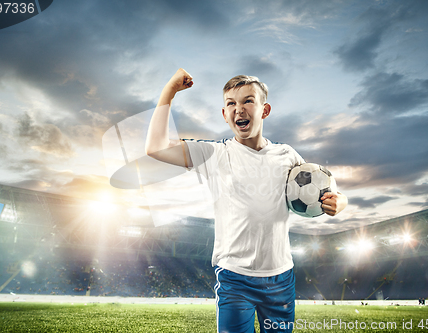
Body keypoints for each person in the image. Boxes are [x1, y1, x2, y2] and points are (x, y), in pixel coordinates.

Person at [145, 68, 348, 333]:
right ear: (224, 114)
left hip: (281, 277)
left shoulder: (286, 155)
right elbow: (155, 148)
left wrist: (340, 202)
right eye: (231, 103)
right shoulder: (215, 154)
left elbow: (329, 189)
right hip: (234, 277)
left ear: (265, 110)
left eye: (248, 101)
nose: (239, 109)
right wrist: (169, 90)